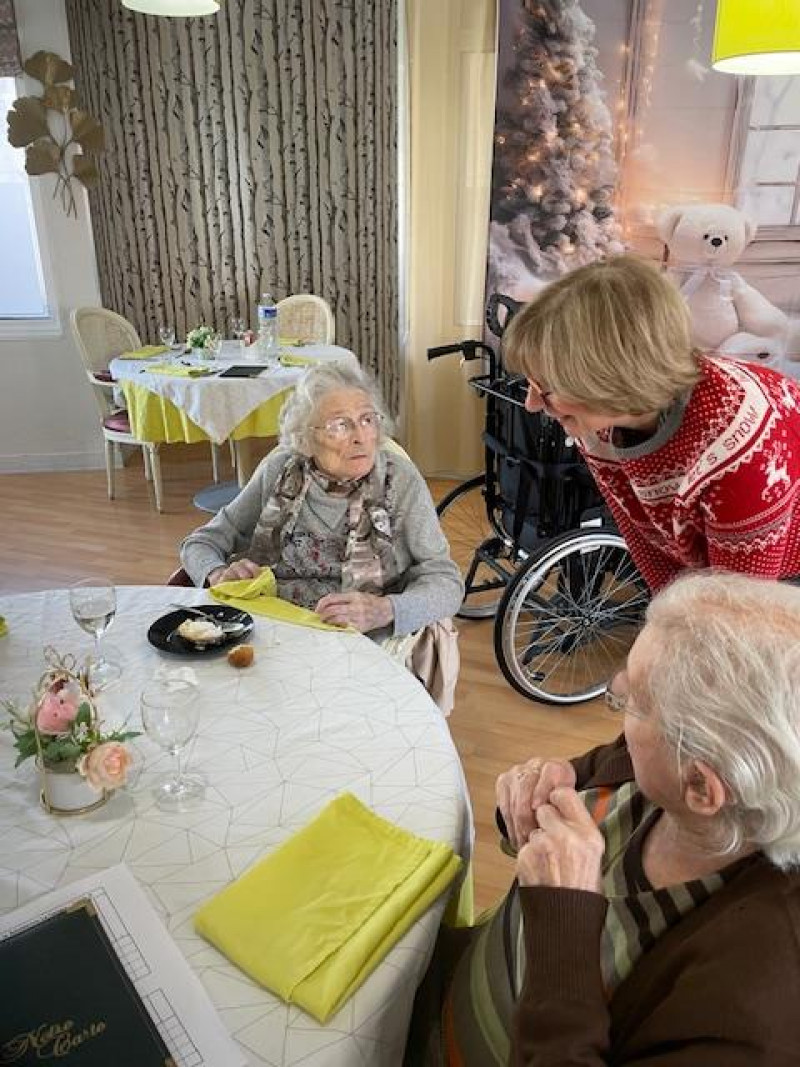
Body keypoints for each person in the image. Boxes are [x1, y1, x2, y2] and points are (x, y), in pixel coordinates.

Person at [404, 570, 800, 1065]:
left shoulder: (754, 1012)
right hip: (438, 995)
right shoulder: (650, 771)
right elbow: (569, 789)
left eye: (634, 699)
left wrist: (562, 915)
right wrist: (529, 797)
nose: (614, 691)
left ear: (702, 787)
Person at [501, 254, 800, 591]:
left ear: (611, 378)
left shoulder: (740, 450)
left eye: (545, 388)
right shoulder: (597, 422)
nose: (531, 404)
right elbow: (642, 532)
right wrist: (665, 612)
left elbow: (735, 611)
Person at [180, 363, 463, 643]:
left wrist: (384, 610)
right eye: (340, 425)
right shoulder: (281, 470)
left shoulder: (400, 481)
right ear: (306, 437)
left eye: (367, 419)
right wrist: (216, 573)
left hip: (359, 645)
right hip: (270, 632)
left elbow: (447, 582)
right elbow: (201, 542)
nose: (361, 437)